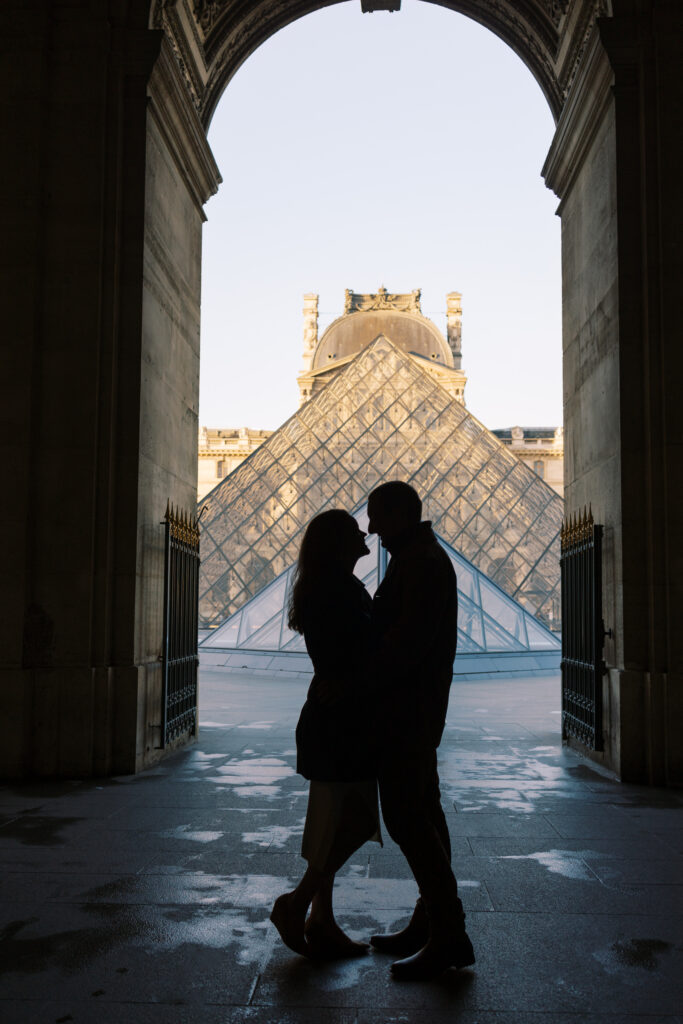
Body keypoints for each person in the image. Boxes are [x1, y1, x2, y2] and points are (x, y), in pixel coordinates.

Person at [366, 480, 475, 980]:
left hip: (406, 712)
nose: (371, 528)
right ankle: (430, 922)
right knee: (424, 813)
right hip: (412, 709)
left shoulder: (422, 563)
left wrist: (357, 676)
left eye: (376, 516)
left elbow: (405, 645)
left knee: (408, 818)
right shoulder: (416, 557)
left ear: (400, 515)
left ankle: (448, 933)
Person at [270, 509, 382, 959]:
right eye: (354, 531)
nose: (365, 533)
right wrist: (355, 682)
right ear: (337, 544)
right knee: (351, 820)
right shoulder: (336, 591)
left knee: (333, 820)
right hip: (340, 723)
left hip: (337, 719)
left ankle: (322, 919)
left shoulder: (333, 586)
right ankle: (297, 904)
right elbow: (357, 654)